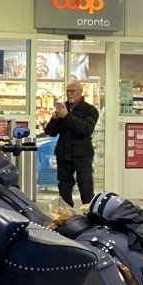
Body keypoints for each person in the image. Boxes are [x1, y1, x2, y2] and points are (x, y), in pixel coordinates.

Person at [43, 78, 101, 207]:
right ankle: (66, 215)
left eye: (72, 91)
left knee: (86, 186)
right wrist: (54, 119)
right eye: (67, 91)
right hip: (64, 153)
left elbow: (85, 129)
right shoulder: (62, 108)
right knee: (64, 187)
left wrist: (66, 116)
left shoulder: (90, 110)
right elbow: (50, 132)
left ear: (80, 92)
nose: (69, 94)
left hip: (82, 154)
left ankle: (89, 214)